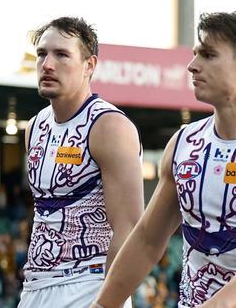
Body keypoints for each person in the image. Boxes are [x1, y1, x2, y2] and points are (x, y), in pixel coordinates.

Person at [93, 11, 236, 308]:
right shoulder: (184, 142)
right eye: (195, 54)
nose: (192, 66)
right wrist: (102, 304)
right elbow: (148, 240)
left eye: (208, 55)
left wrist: (218, 305)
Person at [18, 17, 144, 308]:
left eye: (61, 55)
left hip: (89, 284)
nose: (47, 64)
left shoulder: (109, 126)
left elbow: (129, 228)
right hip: (35, 286)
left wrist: (106, 302)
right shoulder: (34, 127)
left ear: (90, 65)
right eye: (41, 54)